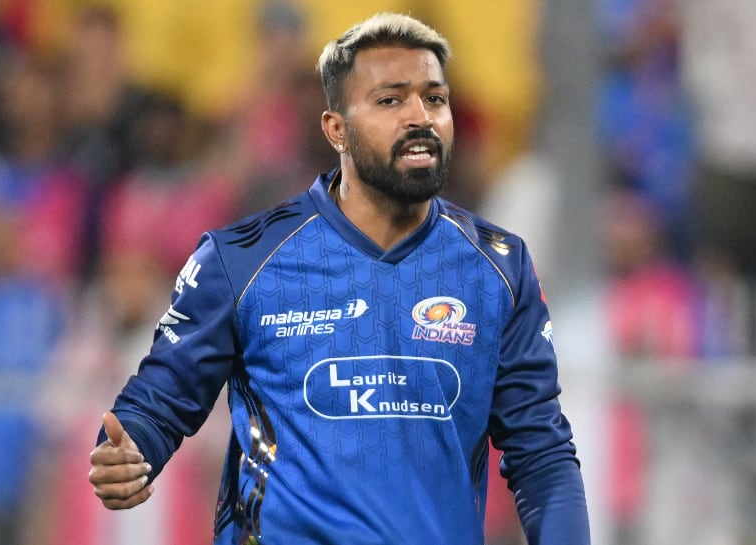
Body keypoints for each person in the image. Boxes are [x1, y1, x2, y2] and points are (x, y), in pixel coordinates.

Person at [88, 13, 590, 545]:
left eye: (435, 99)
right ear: (337, 130)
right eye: (390, 100)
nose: (420, 117)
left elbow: (542, 454)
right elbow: (157, 403)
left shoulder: (498, 268)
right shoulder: (241, 260)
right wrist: (129, 451)